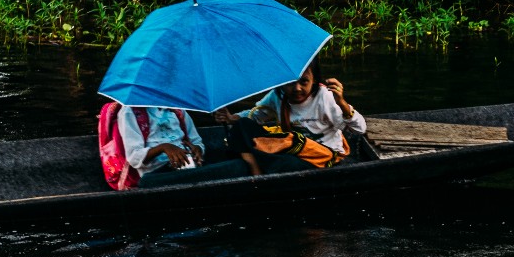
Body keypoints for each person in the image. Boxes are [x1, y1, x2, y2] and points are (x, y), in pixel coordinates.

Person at [216, 63, 367, 174]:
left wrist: (342, 103)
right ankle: (255, 166)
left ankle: (253, 163)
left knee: (286, 164)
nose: (297, 89)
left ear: (314, 80)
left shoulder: (325, 97)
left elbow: (360, 129)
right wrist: (231, 118)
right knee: (242, 124)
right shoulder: (278, 95)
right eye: (290, 83)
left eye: (304, 82)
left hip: (320, 156)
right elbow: (255, 116)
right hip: (291, 148)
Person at [100, 102, 250, 189]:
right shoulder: (129, 113)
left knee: (240, 165)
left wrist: (198, 150)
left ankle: (195, 178)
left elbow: (197, 142)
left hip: (188, 167)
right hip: (158, 174)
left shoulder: (177, 110)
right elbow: (134, 157)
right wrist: (164, 147)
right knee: (147, 183)